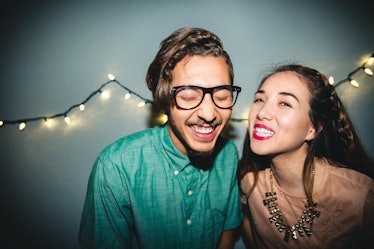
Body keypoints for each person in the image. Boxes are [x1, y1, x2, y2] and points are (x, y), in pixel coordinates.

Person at [78, 27, 243, 249]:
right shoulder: (116, 166)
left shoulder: (229, 155)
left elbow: (228, 234)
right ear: (165, 99)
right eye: (189, 97)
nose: (209, 114)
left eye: (222, 96)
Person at [237, 64, 374, 249]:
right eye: (259, 99)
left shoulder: (359, 196)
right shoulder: (250, 185)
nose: (261, 113)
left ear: (313, 128)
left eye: (284, 103)